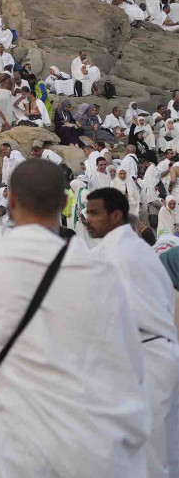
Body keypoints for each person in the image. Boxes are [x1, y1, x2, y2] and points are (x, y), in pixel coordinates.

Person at [0, 160, 151, 477]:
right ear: (63, 203)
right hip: (95, 447)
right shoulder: (100, 274)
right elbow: (130, 364)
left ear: (11, 201)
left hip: (18, 446)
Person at [85, 187, 179, 476]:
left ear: (115, 216)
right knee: (165, 450)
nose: (87, 219)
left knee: (144, 454)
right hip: (162, 354)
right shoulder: (138, 247)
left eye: (94, 213)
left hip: (143, 357)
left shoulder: (110, 254)